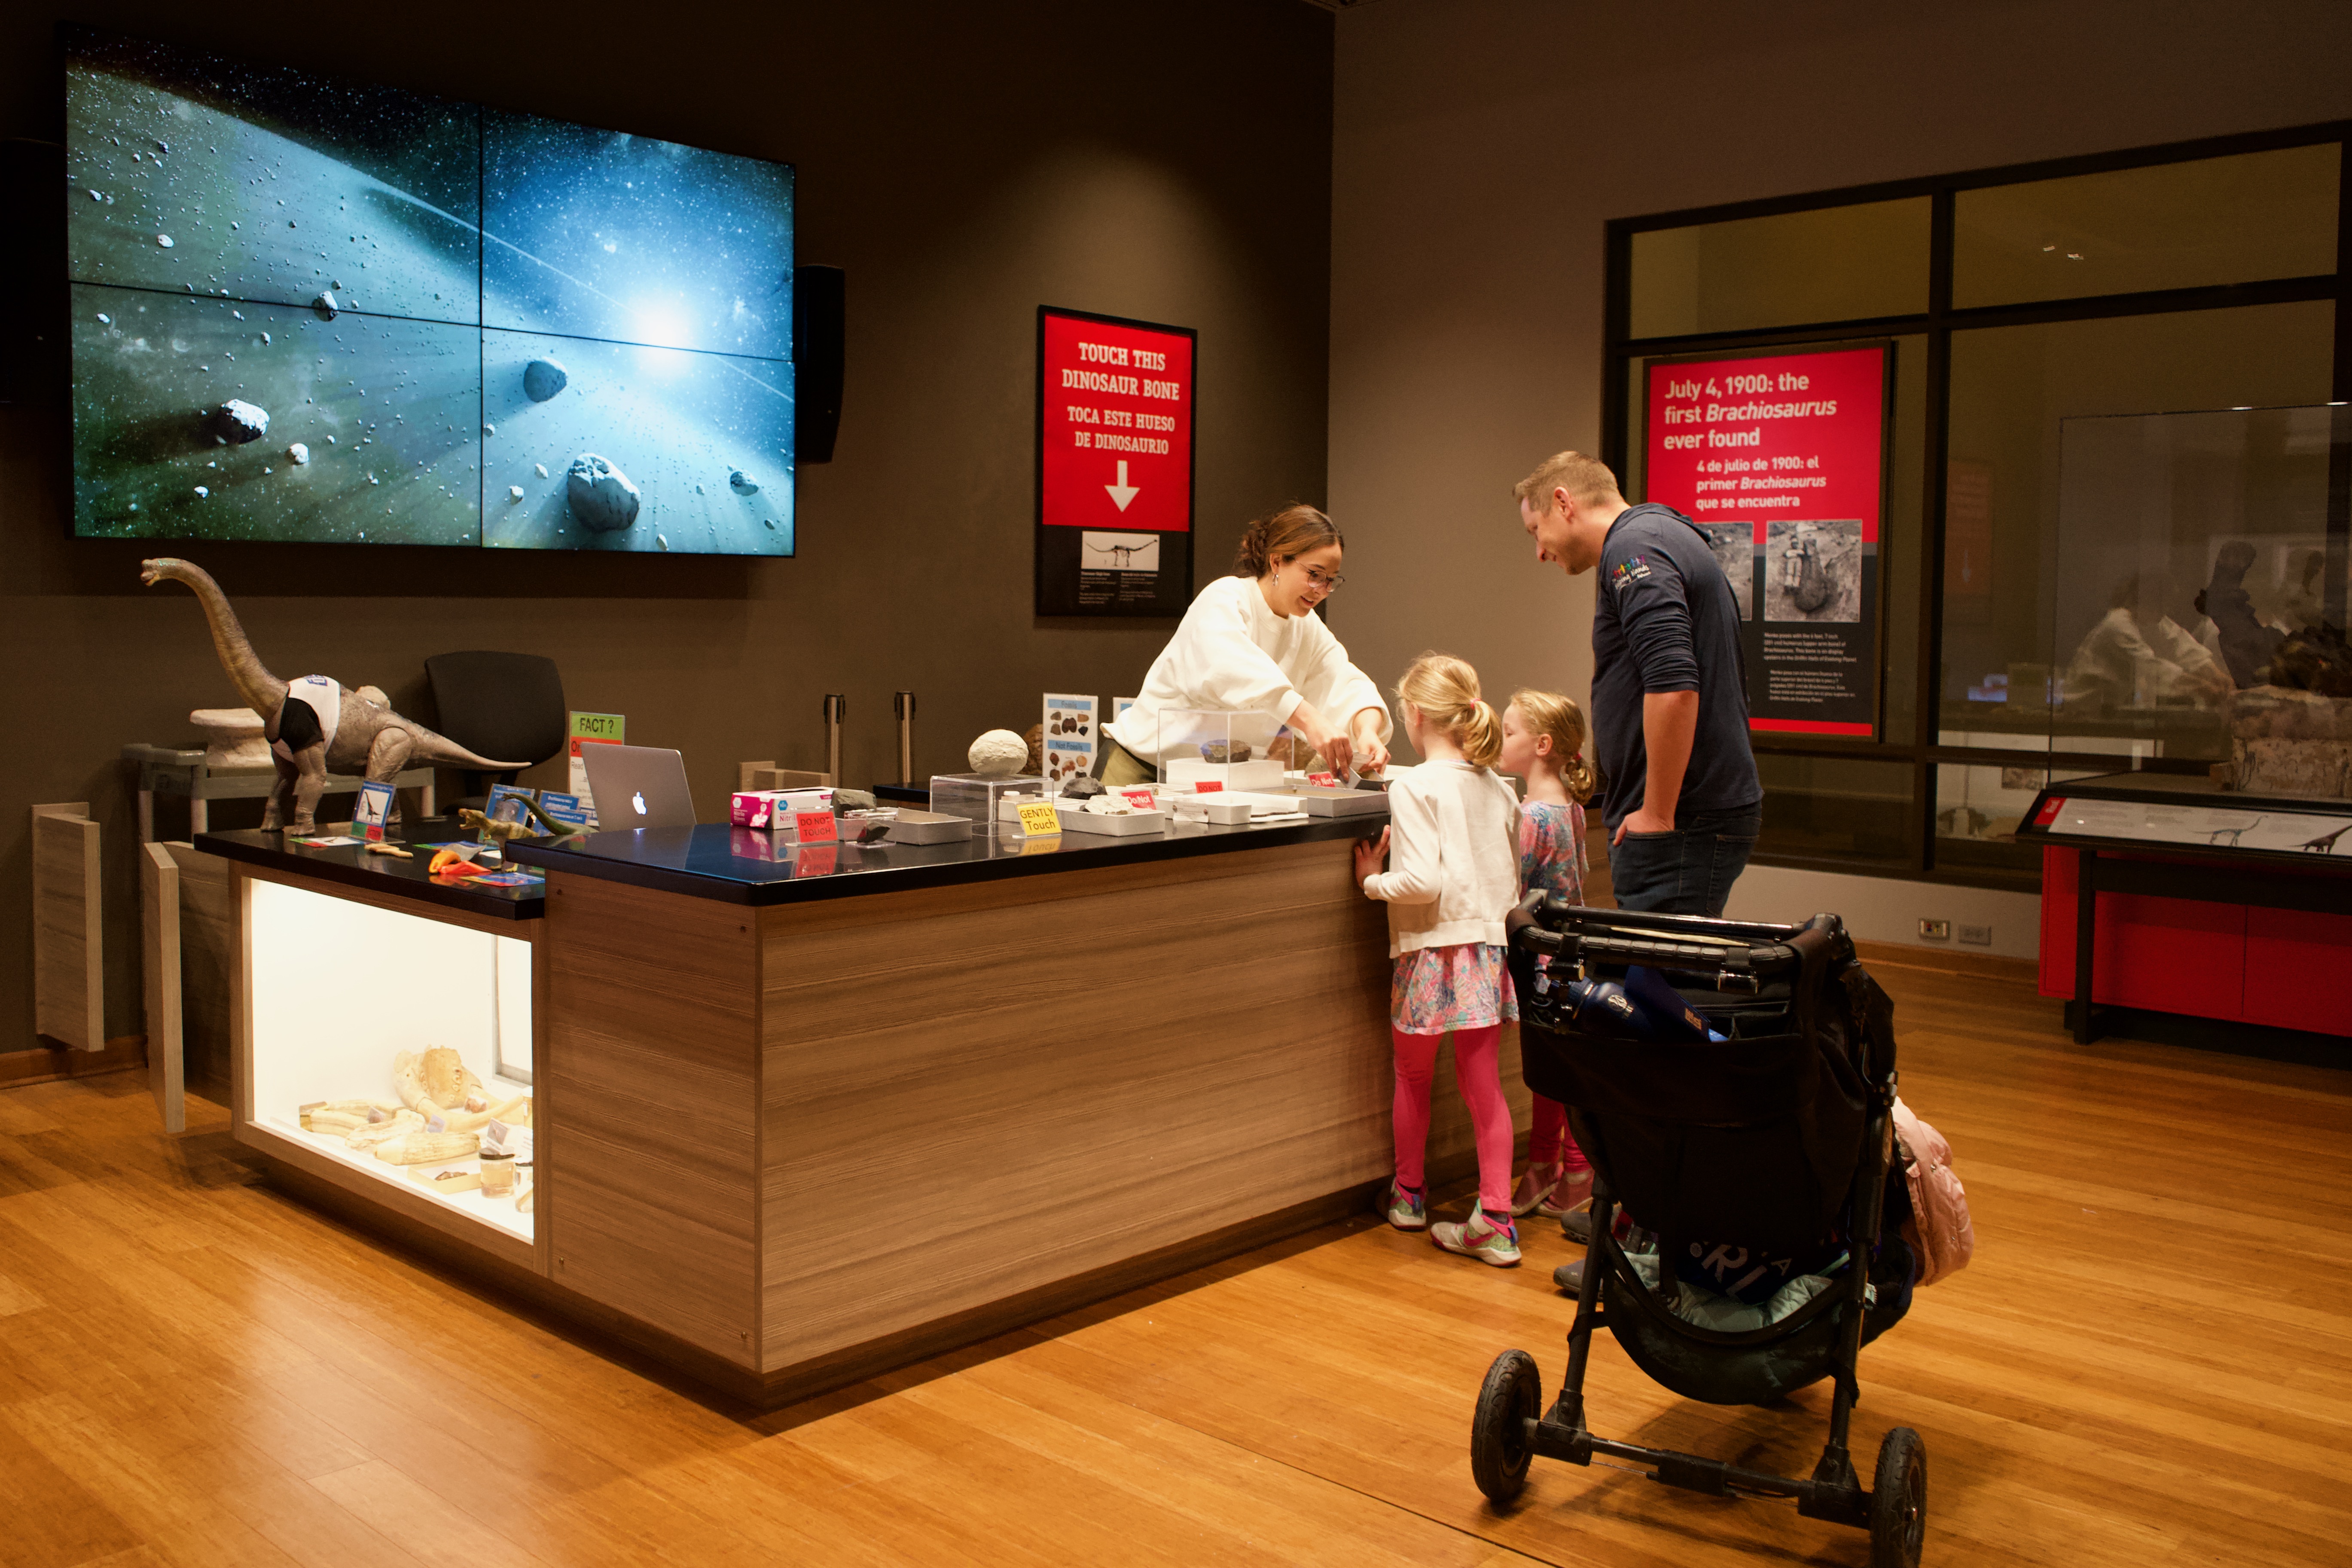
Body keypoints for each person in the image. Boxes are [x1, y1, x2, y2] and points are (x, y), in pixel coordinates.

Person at [1516, 451, 1761, 916]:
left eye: (1536, 531)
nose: (1540, 551)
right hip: (1699, 811)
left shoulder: (1633, 549)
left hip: (1682, 819)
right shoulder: (1664, 533)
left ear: (1564, 502)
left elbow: (1673, 684)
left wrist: (1657, 812)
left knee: (1657, 980)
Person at [1353, 653, 1523, 1266]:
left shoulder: (1413, 785)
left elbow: (1421, 882)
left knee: (1412, 1077)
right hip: (1486, 948)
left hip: (1430, 952)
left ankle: (1407, 1195)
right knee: (1485, 1090)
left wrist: (1373, 882)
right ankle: (1496, 1219)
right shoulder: (1500, 787)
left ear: (1416, 714)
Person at [1100, 504, 1391, 787]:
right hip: (1141, 765)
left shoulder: (1307, 626)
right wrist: (1310, 720)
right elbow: (1230, 669)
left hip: (1214, 779)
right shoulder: (1226, 597)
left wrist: (1366, 731)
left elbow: (1343, 680)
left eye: (1330, 580)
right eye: (1313, 575)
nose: (1322, 590)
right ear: (1277, 561)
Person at [1496, 689, 1598, 1224]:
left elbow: (1510, 882)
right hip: (1570, 958)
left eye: (1509, 731)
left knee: (1547, 1071)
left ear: (1540, 745)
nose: (1500, 739)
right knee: (1558, 1068)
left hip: (1538, 961)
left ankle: (1562, 1168)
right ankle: (1563, 1166)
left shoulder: (1531, 816)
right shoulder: (1572, 810)